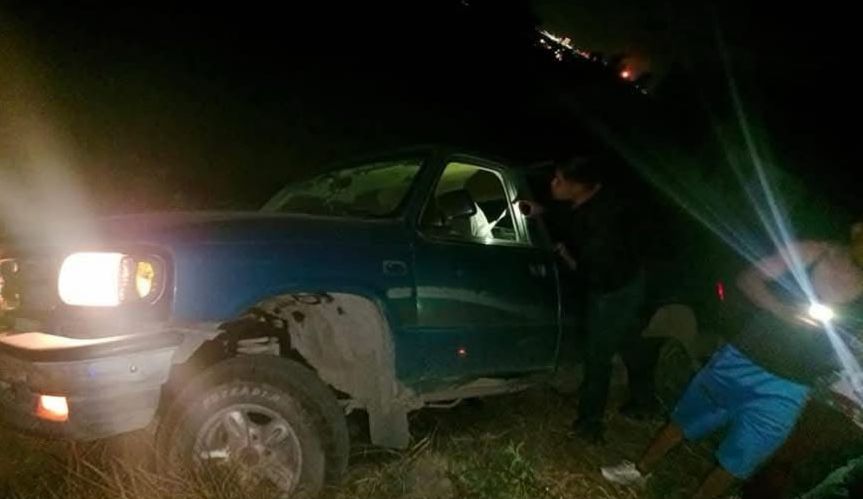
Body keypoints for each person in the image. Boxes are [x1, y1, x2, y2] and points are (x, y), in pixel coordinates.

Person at [601, 221, 863, 499]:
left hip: (792, 386)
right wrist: (782, 310)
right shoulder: (811, 253)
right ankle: (640, 470)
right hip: (745, 359)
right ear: (857, 231)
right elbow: (749, 279)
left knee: (744, 455)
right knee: (686, 418)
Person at [520, 156, 651, 443]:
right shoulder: (592, 199)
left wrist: (566, 256)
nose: (552, 184)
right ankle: (644, 404)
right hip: (628, 279)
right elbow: (569, 214)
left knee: (598, 357)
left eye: (559, 180)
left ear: (578, 186)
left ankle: (590, 426)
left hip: (612, 290)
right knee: (631, 343)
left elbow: (593, 273)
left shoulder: (600, 223)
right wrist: (541, 209)